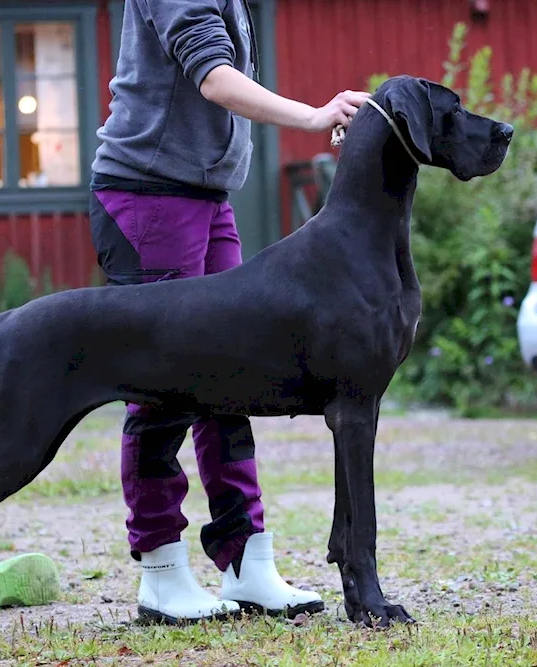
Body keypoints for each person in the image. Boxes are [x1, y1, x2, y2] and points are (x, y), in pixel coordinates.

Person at [88, 0, 371, 624]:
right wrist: (314, 114)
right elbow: (213, 77)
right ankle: (162, 571)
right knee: (161, 386)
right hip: (148, 196)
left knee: (228, 376)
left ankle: (247, 562)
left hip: (206, 197)